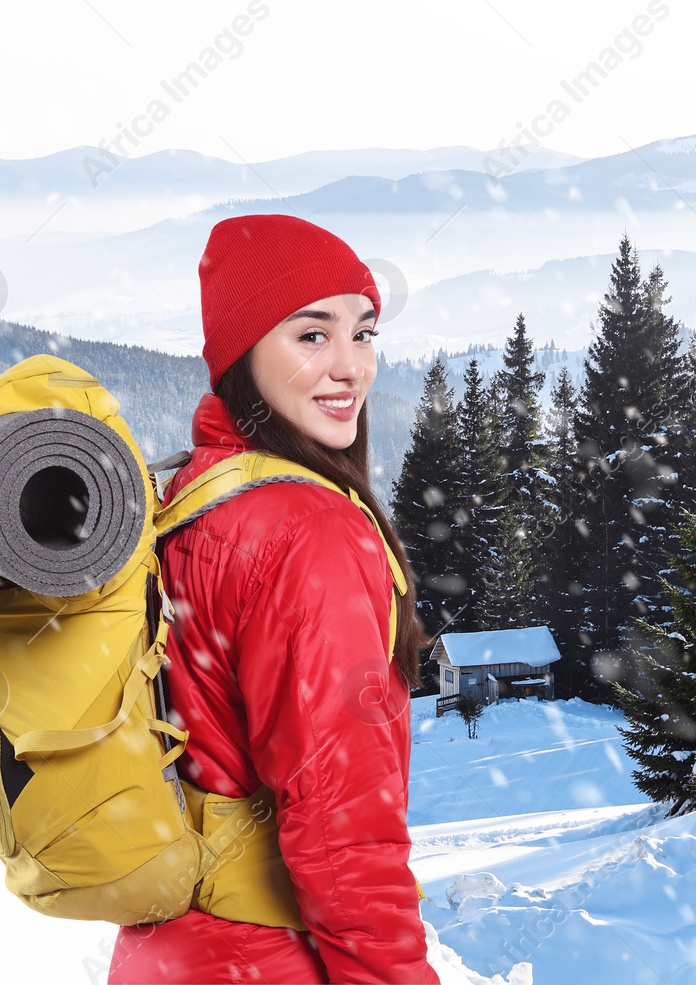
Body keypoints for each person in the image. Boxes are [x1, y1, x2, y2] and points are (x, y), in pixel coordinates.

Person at [108, 214, 439, 984]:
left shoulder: (190, 498)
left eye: (365, 332)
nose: (352, 367)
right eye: (311, 336)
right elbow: (344, 834)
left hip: (166, 950)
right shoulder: (310, 533)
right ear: (242, 353)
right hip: (265, 958)